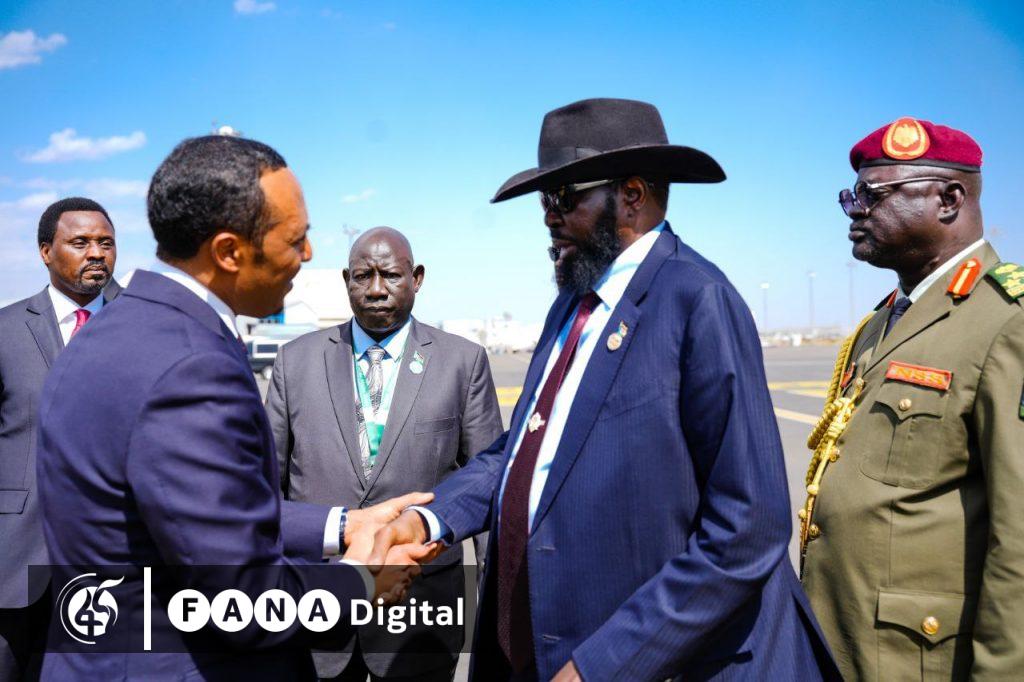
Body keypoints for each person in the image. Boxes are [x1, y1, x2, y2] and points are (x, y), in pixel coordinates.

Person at [369, 98, 840, 681]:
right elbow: (524, 451)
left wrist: (602, 666)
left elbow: (748, 527)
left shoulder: (697, 300)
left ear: (632, 196)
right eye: (544, 201)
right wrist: (429, 520)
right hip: (534, 648)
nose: (548, 217)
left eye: (564, 197)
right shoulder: (571, 305)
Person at [35, 136, 433, 681]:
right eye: (295, 238)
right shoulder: (191, 365)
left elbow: (196, 512)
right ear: (228, 252)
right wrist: (362, 579)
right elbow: (242, 598)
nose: (309, 254)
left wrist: (344, 524)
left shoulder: (108, 332)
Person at [799, 117, 1024, 680]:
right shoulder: (880, 323)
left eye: (872, 195)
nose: (854, 211)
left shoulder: (1007, 322)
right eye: (851, 196)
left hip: (921, 661)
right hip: (843, 644)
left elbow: (1019, 537)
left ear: (948, 200)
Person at [266, 225, 502, 681]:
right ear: (346, 280)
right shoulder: (295, 361)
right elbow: (264, 488)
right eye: (363, 276)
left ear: (417, 278)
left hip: (421, 612)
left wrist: (496, 601)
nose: (376, 289)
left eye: (391, 275)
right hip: (318, 608)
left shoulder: (463, 362)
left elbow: (489, 487)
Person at [0, 197, 120, 680]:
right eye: (81, 242)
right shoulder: (6, 331)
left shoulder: (147, 328)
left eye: (106, 243)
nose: (96, 253)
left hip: (116, 562)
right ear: (46, 251)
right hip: (15, 559)